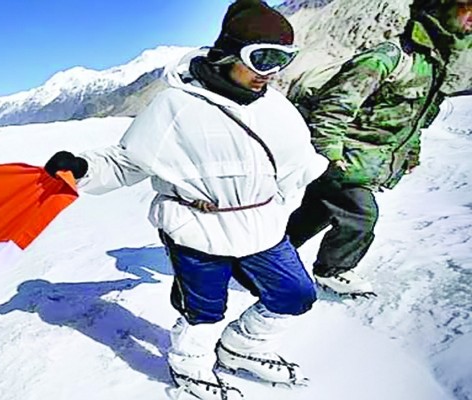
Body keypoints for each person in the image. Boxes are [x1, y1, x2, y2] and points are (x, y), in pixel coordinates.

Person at [44, 1, 327, 398]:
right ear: (230, 52)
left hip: (264, 226)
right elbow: (126, 162)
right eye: (262, 58)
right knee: (204, 311)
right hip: (199, 230)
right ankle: (189, 363)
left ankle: (243, 347)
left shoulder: (276, 107)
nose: (271, 72)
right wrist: (82, 167)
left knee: (296, 294)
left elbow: (297, 164)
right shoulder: (176, 106)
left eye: (282, 59)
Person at [285, 0, 472, 297]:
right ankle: (333, 271)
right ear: (440, 7)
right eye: (466, 6)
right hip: (342, 157)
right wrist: (330, 155)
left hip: (362, 160)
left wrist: (411, 153)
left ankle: (265, 257)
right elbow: (334, 107)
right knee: (361, 214)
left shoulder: (433, 63)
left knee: (317, 211)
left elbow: (414, 120)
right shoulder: (389, 57)